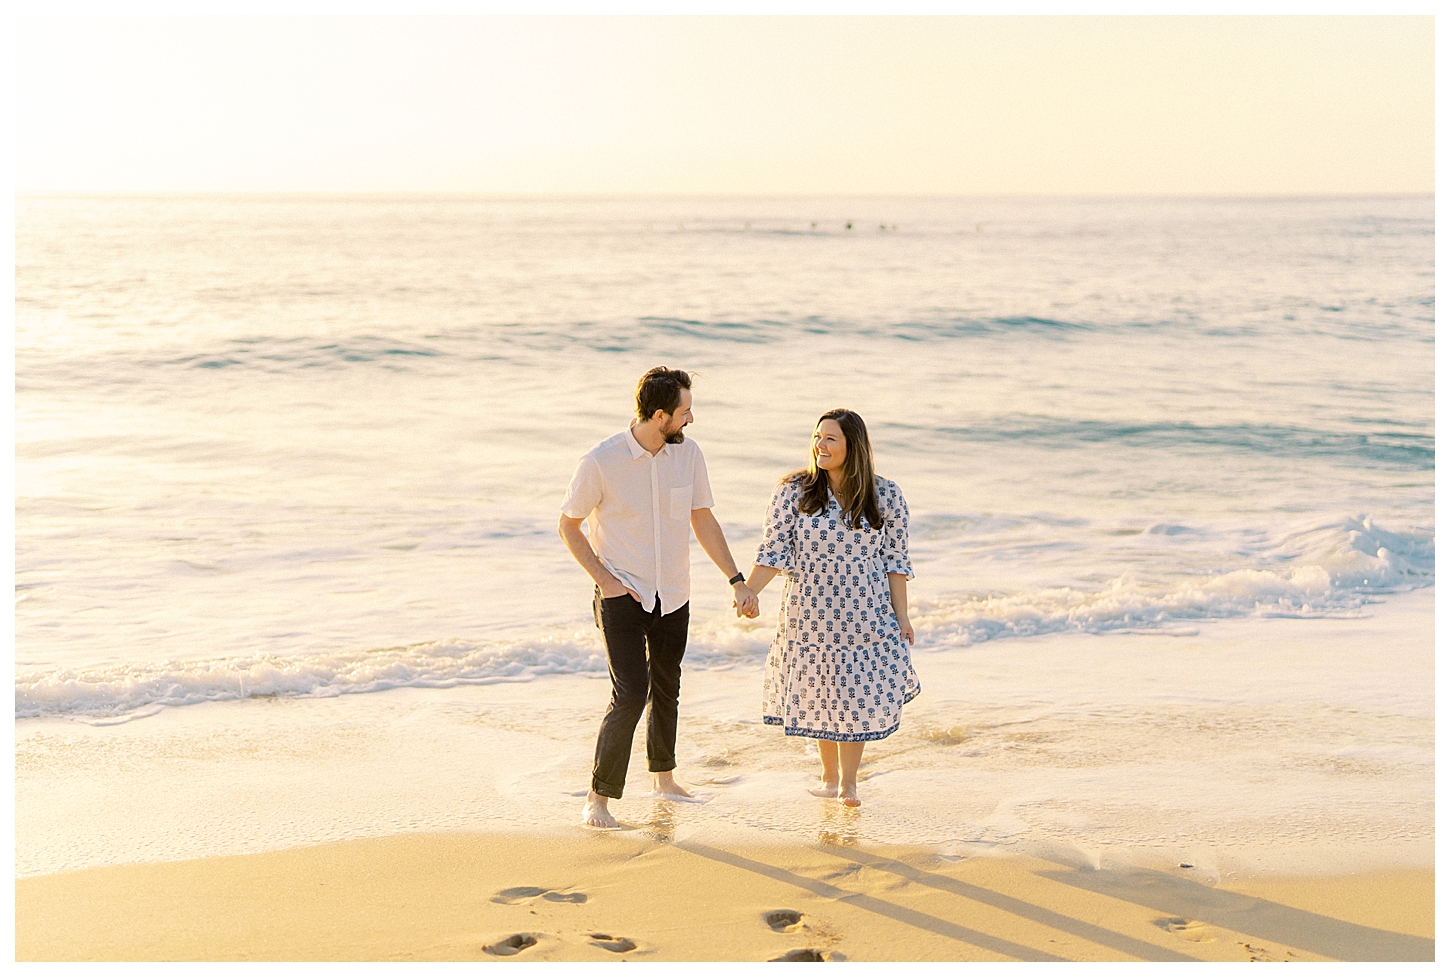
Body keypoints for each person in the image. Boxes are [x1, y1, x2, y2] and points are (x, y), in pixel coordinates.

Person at [559, 367, 758, 828]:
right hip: (621, 594)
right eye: (685, 412)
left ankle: (664, 779)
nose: (691, 420)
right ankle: (598, 798)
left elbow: (702, 519)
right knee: (631, 694)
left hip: (674, 591)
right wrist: (605, 581)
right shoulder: (600, 461)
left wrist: (736, 579)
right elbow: (568, 525)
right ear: (660, 414)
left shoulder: (687, 456)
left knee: (668, 685)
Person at [740, 409, 919, 807]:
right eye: (818, 437)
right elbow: (773, 550)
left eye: (831, 439)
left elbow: (896, 562)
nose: (820, 445)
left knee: (854, 694)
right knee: (821, 689)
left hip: (865, 612)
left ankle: (849, 783)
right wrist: (749, 590)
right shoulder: (794, 490)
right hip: (810, 613)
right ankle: (828, 775)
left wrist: (902, 616)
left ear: (852, 445)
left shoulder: (885, 494)